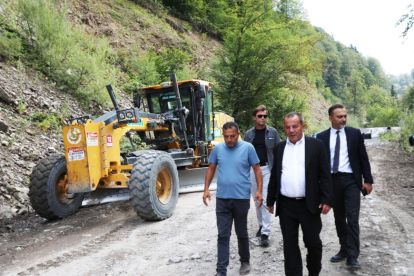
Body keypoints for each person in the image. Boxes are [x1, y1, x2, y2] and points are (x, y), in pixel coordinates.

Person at [267, 112, 332, 276]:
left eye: (295, 126)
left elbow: (325, 175)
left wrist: (327, 199)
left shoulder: (316, 146)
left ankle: (314, 272)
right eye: (288, 127)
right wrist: (270, 200)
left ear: (302, 126)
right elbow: (275, 175)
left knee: (313, 243)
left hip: (309, 204)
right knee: (289, 246)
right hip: (286, 206)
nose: (291, 130)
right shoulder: (279, 148)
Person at [316, 104, 373, 269]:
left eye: (345, 116)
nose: (343, 119)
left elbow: (363, 158)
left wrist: (368, 180)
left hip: (351, 181)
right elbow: (318, 165)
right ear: (330, 118)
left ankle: (353, 256)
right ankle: (344, 248)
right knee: (339, 218)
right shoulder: (321, 137)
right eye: (339, 116)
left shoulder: (355, 134)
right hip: (332, 182)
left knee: (352, 218)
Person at [203, 121, 263, 276]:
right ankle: (221, 271)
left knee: (241, 232)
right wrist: (206, 189)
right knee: (223, 235)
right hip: (222, 199)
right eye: (226, 137)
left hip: (241, 199)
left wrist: (260, 191)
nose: (229, 140)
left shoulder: (248, 148)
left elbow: (257, 170)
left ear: (238, 134)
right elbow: (211, 168)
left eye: (232, 136)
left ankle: (245, 261)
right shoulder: (218, 149)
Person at [244, 105, 280, 247]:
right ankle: (261, 225)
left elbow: (278, 151)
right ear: (254, 117)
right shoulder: (249, 134)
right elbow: (244, 153)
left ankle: (265, 232)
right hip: (253, 169)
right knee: (257, 199)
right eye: (260, 116)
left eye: (265, 116)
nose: (263, 118)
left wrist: (278, 170)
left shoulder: (273, 132)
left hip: (267, 168)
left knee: (264, 199)